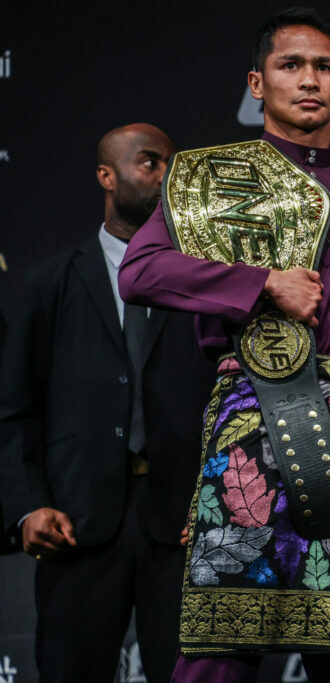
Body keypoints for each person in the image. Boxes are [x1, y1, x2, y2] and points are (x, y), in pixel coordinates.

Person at [117, 8, 330, 683]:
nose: (308, 80)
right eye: (290, 65)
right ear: (258, 82)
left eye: (324, 68)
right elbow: (139, 272)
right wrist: (262, 284)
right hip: (247, 431)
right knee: (216, 651)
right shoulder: (210, 180)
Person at [0, 123, 216, 683]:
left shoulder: (209, 282)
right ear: (106, 175)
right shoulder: (49, 283)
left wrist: (221, 502)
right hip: (75, 523)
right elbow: (14, 410)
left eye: (171, 164)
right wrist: (29, 506)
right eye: (149, 162)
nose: (166, 175)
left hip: (186, 528)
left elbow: (237, 401)